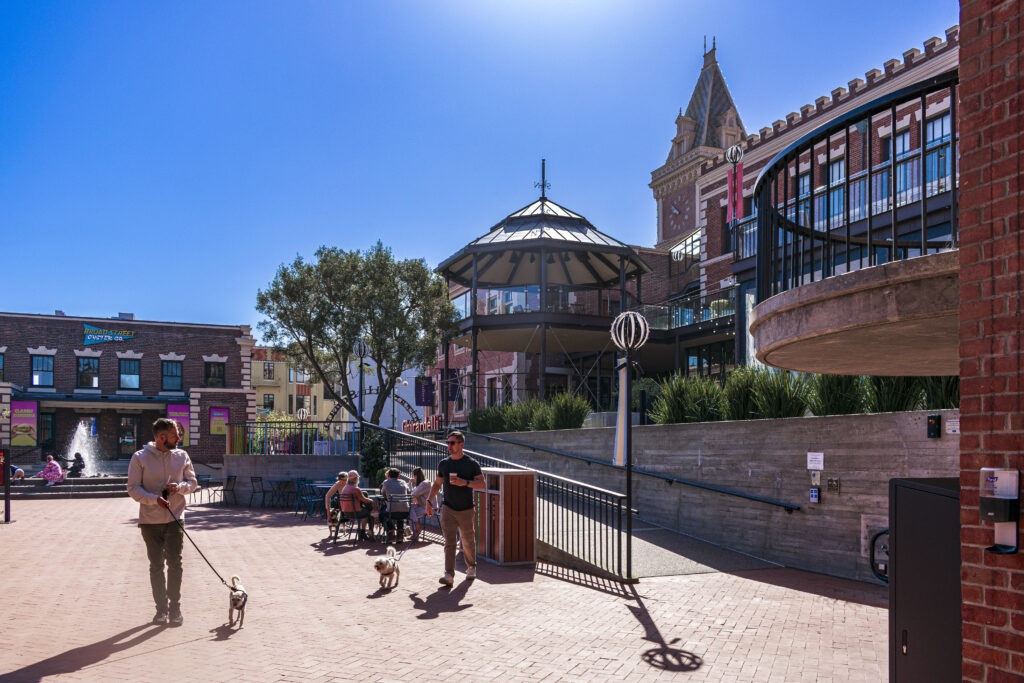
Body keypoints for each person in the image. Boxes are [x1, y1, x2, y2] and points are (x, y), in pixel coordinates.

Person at [127, 418, 197, 627]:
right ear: (162, 437)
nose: (179, 438)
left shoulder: (181, 455)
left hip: (176, 517)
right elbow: (132, 488)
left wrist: (180, 487)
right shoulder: (140, 457)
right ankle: (161, 609)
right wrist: (153, 499)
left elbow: (193, 483)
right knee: (156, 565)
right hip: (149, 520)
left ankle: (175, 607)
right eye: (176, 435)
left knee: (175, 562)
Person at [426, 431, 484, 586]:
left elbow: (481, 484)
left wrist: (464, 482)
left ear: (461, 445)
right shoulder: (444, 463)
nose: (449, 446)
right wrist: (428, 501)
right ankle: (448, 575)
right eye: (448, 443)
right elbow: (437, 484)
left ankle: (471, 567)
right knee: (449, 542)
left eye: (452, 443)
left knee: (467, 541)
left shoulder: (471, 464)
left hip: (466, 509)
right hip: (448, 508)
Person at [324, 470, 375, 540]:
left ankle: (364, 532)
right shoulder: (346, 486)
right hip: (348, 510)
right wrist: (328, 512)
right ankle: (365, 532)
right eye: (339, 480)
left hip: (347, 509)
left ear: (347, 479)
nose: (341, 482)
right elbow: (328, 496)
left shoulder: (347, 487)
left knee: (365, 496)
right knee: (369, 512)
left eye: (344, 480)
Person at [379, 468, 410, 544]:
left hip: (391, 513)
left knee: (382, 514)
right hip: (405, 513)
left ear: (388, 476)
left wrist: (387, 499)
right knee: (399, 512)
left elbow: (382, 492)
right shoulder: (403, 482)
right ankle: (400, 534)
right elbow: (409, 493)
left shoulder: (386, 482)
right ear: (398, 477)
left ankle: (391, 531)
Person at [408, 467, 434, 543]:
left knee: (409, 510)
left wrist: (410, 484)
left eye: (413, 476)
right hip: (424, 506)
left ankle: (416, 528)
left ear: (416, 476)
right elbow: (413, 493)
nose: (413, 478)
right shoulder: (424, 483)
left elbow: (412, 494)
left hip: (429, 508)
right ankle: (416, 531)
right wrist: (410, 483)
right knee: (409, 510)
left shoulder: (424, 484)